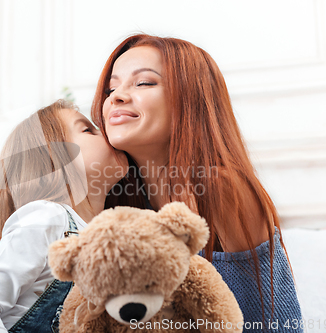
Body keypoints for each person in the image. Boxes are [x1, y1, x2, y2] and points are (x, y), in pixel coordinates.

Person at [91, 34, 303, 332]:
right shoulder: (121, 201)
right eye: (111, 88)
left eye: (144, 83)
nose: (116, 96)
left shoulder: (219, 188)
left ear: (190, 99)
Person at [0, 99, 128, 332]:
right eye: (88, 129)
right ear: (55, 160)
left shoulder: (109, 235)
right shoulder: (47, 217)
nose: (104, 132)